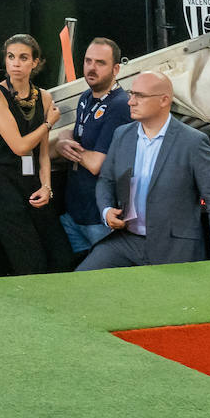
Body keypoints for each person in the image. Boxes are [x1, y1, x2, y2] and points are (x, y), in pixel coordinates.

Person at [78, 71, 210, 270]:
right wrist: (107, 210)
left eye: (139, 96)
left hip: (176, 246)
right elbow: (106, 180)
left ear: (164, 100)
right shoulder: (122, 135)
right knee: (82, 278)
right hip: (126, 240)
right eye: (131, 94)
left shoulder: (193, 142)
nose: (130, 102)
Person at [0, 34, 73, 275]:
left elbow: (42, 152)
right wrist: (49, 124)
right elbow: (20, 147)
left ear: (35, 62)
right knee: (31, 262)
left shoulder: (44, 96)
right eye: (11, 57)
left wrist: (46, 187)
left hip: (30, 181)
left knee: (61, 255)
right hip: (0, 182)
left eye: (23, 58)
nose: (16, 63)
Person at [54, 38, 130, 255]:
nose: (91, 68)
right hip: (75, 213)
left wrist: (67, 148)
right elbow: (77, 137)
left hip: (99, 218)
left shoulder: (119, 105)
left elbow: (97, 163)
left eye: (100, 63)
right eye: (88, 61)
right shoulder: (86, 97)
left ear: (116, 68)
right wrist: (62, 140)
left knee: (104, 282)